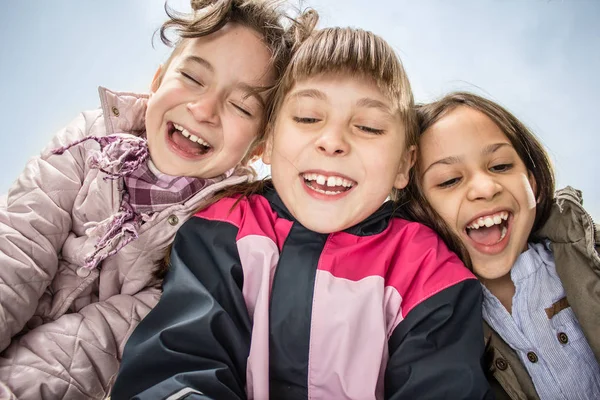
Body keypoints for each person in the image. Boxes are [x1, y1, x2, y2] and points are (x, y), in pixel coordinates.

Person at [111, 27, 492, 400]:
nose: (332, 142)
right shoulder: (222, 229)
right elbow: (179, 360)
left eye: (369, 127)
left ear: (404, 165)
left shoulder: (428, 269)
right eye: (309, 118)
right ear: (270, 139)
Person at [0, 1, 317, 398]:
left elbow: (97, 344)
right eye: (192, 77)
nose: (203, 110)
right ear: (157, 80)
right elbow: (17, 248)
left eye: (240, 105)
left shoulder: (222, 230)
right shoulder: (88, 142)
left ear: (258, 147)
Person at [407, 92, 600, 399]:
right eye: (449, 180)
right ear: (418, 212)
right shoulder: (429, 331)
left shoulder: (592, 257)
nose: (484, 188)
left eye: (499, 166)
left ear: (533, 184)